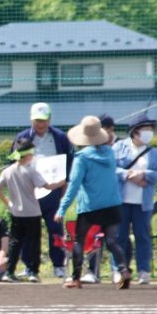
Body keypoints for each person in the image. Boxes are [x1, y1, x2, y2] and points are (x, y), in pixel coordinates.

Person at [54, 115, 132, 290]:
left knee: (78, 240)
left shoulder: (81, 158)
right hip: (113, 205)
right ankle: (124, 269)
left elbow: (74, 185)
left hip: (90, 207)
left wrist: (62, 208)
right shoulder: (110, 153)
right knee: (111, 241)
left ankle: (76, 278)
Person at [12, 102, 73, 279]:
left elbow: (69, 163)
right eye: (37, 120)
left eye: (44, 120)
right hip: (29, 191)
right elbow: (13, 163)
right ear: (31, 119)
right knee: (29, 230)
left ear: (50, 119)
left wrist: (64, 186)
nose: (41, 124)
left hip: (53, 190)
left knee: (55, 228)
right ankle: (30, 267)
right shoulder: (22, 137)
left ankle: (58, 265)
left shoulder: (60, 137)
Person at [0, 137, 65, 283]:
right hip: (32, 212)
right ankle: (33, 271)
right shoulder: (31, 171)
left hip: (16, 212)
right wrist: (62, 181)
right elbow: (48, 186)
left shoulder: (8, 171)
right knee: (34, 242)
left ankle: (9, 272)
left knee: (15, 242)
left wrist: (8, 203)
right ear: (28, 155)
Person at [112, 112, 157, 285]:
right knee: (120, 236)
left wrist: (143, 174)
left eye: (151, 129)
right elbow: (111, 168)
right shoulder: (119, 147)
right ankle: (120, 269)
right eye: (146, 129)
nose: (149, 133)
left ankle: (144, 271)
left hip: (143, 203)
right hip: (121, 201)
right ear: (135, 131)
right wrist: (128, 175)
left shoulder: (154, 153)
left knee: (142, 236)